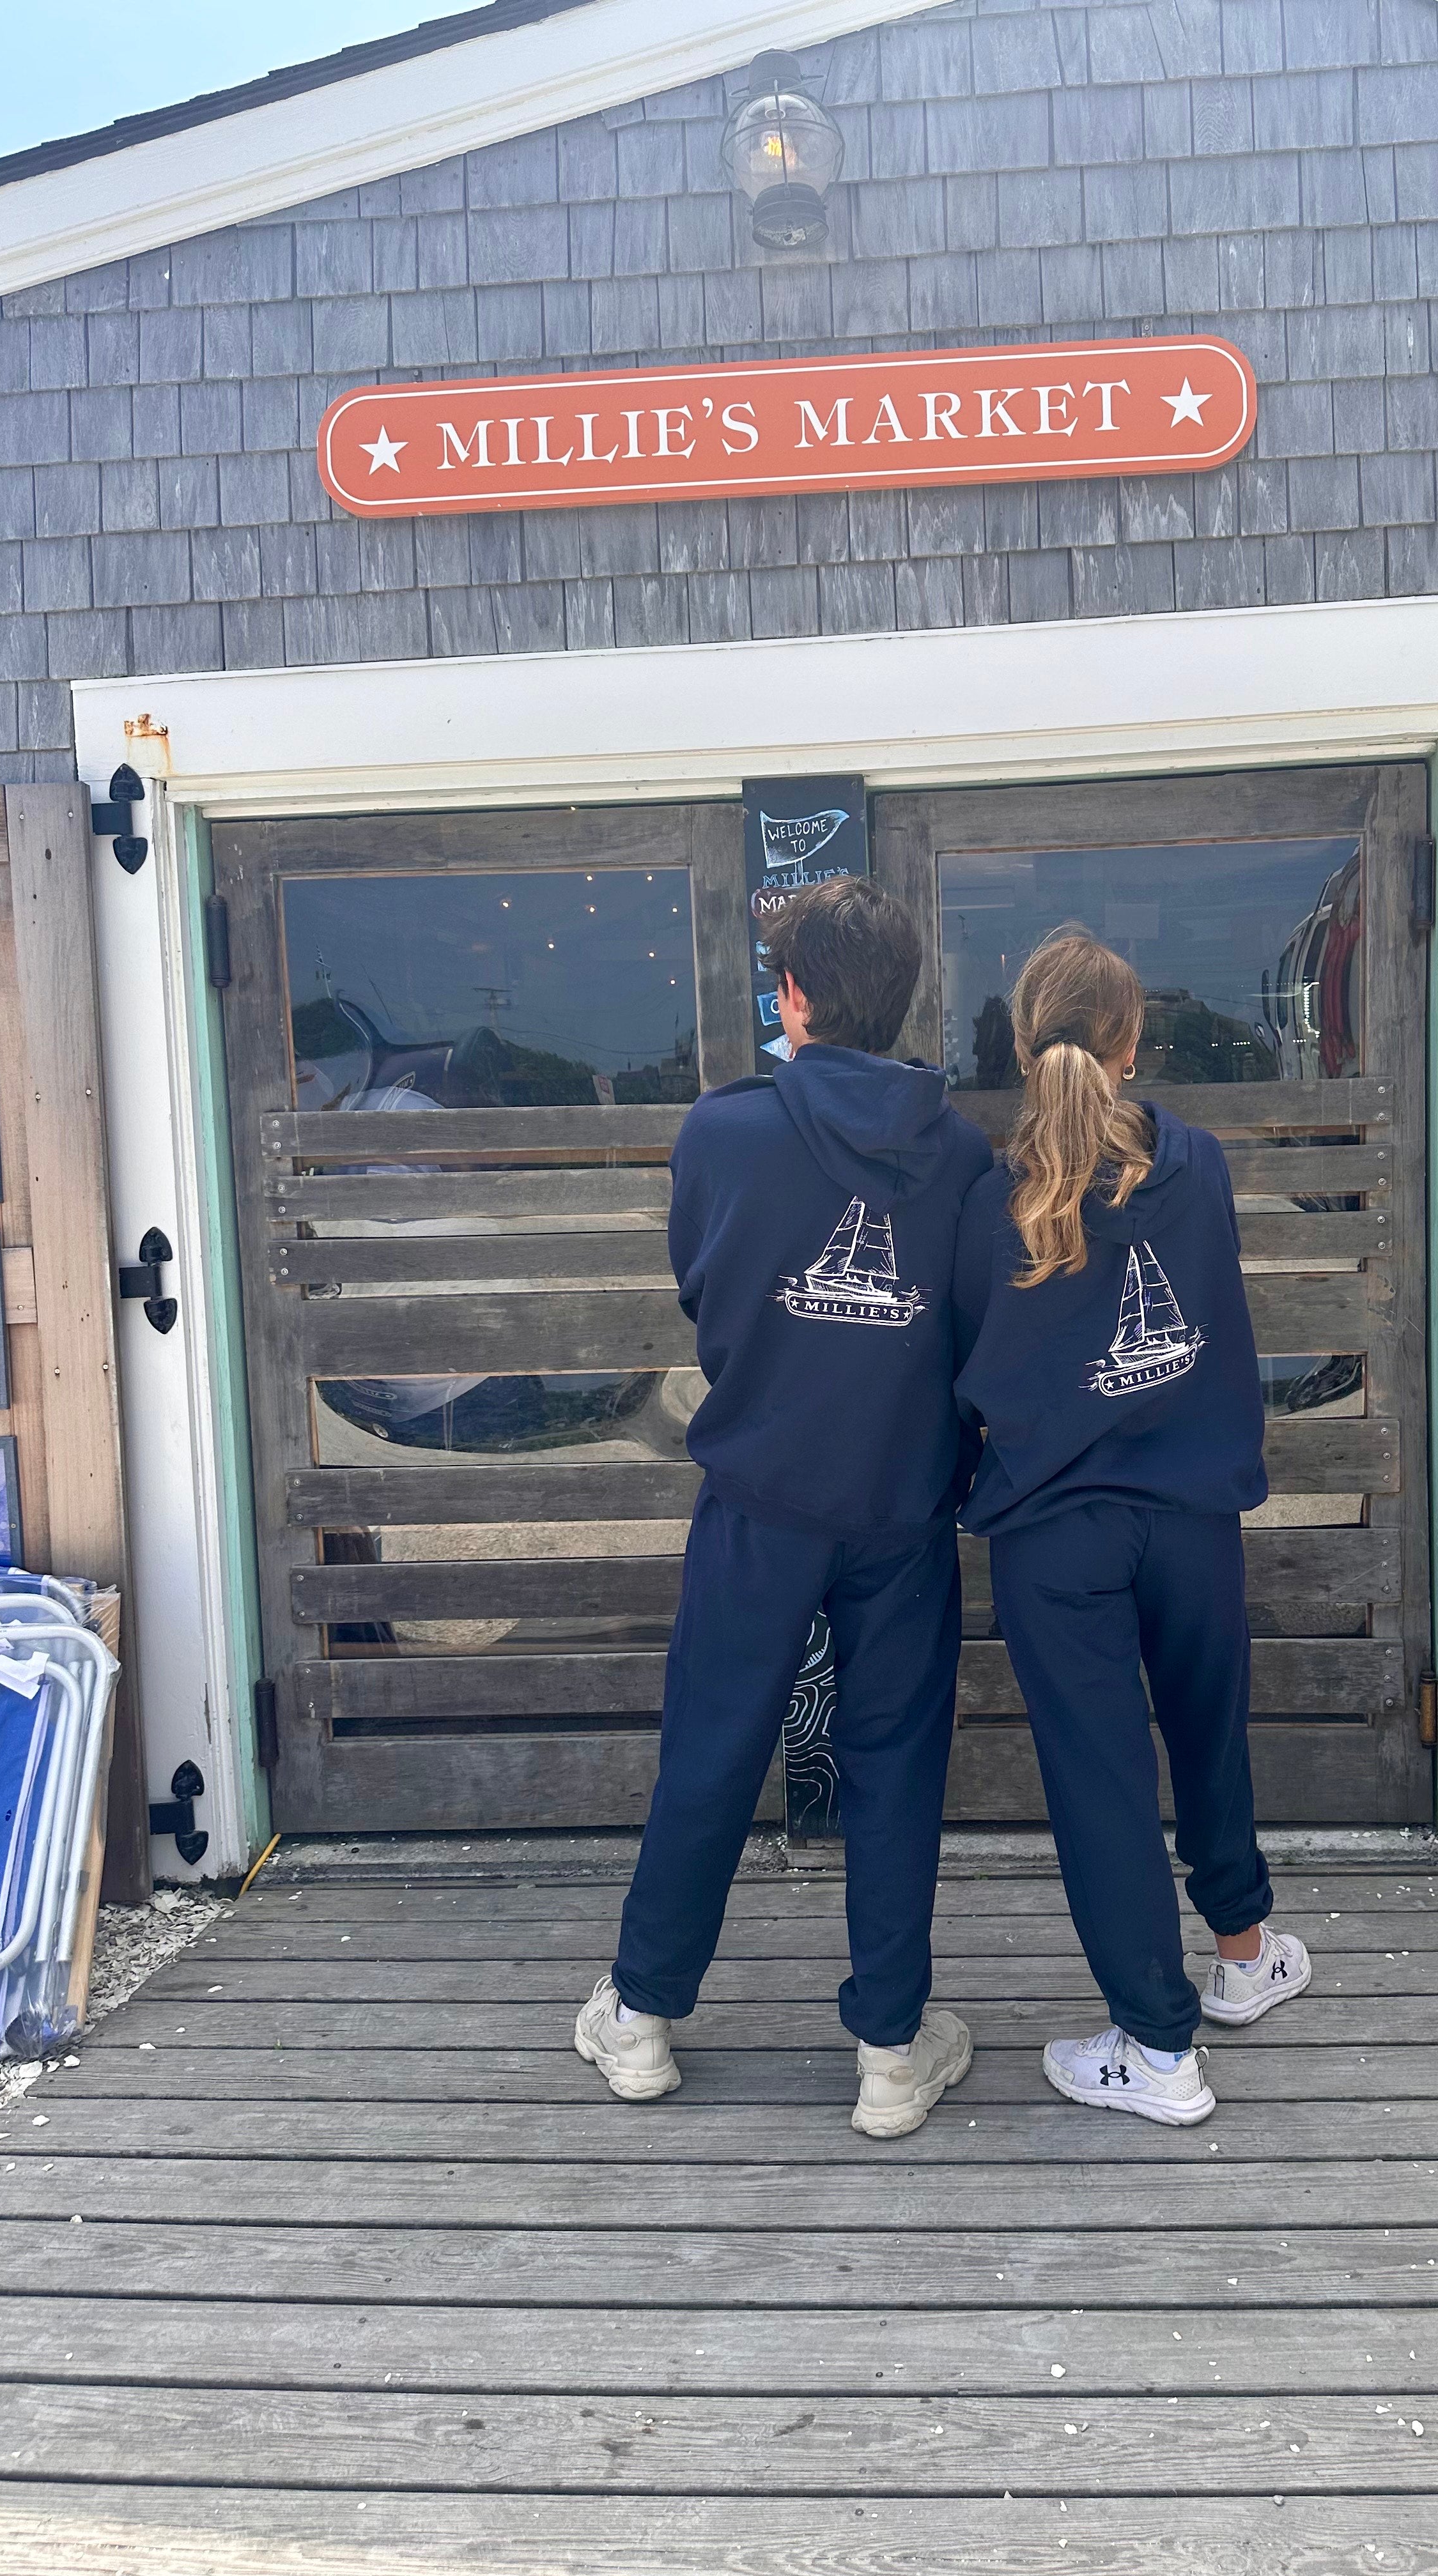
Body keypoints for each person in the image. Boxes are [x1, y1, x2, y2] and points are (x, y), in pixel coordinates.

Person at [575, 878, 992, 2139]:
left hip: (762, 1490)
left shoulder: (722, 1131)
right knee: (896, 1762)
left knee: (712, 1739)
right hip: (905, 1496)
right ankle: (890, 2048)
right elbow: (975, 1320)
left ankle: (642, 2018)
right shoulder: (965, 1148)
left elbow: (702, 1291)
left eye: (780, 978)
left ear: (798, 996)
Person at [951, 928, 1310, 2128]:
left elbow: (966, 1367)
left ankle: (1157, 2054)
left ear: (1018, 1041)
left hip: (1058, 1538)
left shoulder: (987, 1203)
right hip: (1195, 1517)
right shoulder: (1195, 1166)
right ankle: (1245, 1956)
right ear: (1133, 1039)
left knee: (1103, 1783)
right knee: (1210, 1733)